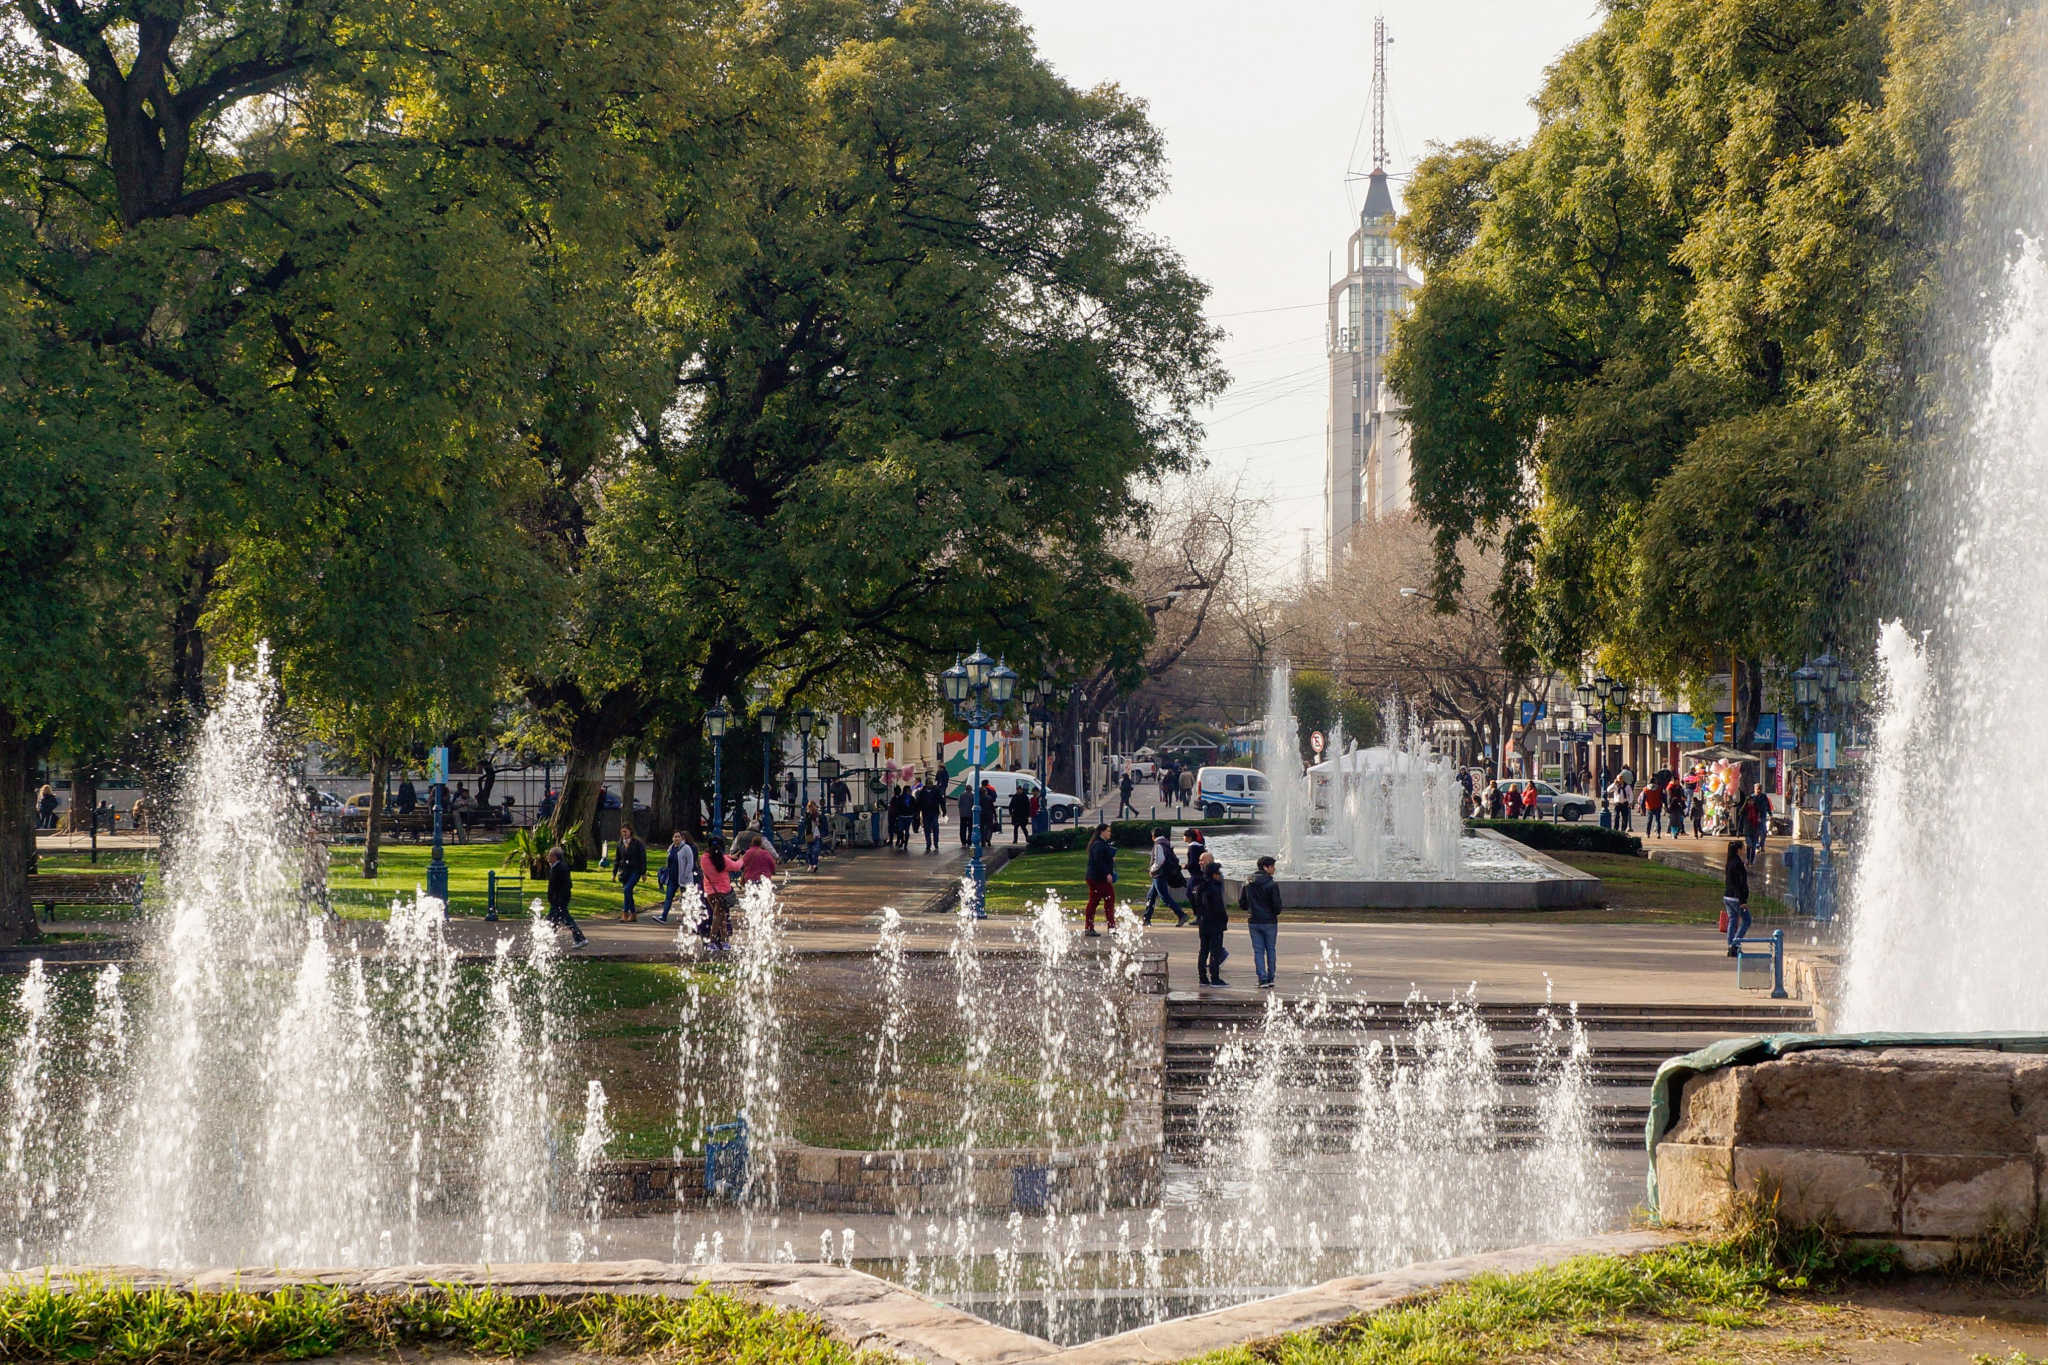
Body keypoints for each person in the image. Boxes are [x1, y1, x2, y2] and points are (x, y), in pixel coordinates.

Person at [1240, 855, 1283, 989]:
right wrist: (1274, 912)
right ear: (1265, 867)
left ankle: (1262, 979)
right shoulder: (1271, 884)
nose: (1274, 869)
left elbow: (1242, 902)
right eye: (1272, 866)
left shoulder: (1248, 881)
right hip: (1269, 921)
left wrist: (1250, 909)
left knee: (1258, 951)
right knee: (1270, 949)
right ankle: (1271, 978)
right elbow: (1277, 906)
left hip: (1253, 920)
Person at [1191, 852, 1229, 986]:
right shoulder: (1214, 888)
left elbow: (1196, 905)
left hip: (1203, 922)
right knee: (1215, 951)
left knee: (1203, 950)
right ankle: (1215, 977)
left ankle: (1202, 977)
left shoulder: (1199, 887)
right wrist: (1224, 919)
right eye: (1218, 872)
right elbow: (1218, 908)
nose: (1219, 875)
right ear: (1214, 874)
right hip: (1215, 923)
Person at [699, 837, 742, 947]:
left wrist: (730, 857)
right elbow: (736, 867)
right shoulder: (722, 860)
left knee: (721, 916)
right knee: (718, 917)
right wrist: (743, 858)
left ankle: (724, 940)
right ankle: (713, 942)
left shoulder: (704, 858)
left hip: (710, 892)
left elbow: (716, 857)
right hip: (723, 893)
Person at [1142, 827, 1189, 927]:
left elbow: (1159, 860)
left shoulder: (1158, 844)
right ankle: (1146, 918)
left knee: (1164, 897)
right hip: (1165, 873)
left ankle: (1181, 915)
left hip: (1159, 874)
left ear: (1153, 836)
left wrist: (1152, 869)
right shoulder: (1167, 843)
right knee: (1151, 895)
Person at [544, 846, 587, 947]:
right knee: (553, 920)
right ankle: (549, 939)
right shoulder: (556, 867)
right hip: (557, 899)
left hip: (559, 899)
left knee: (564, 919)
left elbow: (566, 884)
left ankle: (580, 938)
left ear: (555, 856)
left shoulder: (560, 868)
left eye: (550, 855)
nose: (548, 857)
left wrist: (559, 898)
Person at [1082, 824, 1118, 937]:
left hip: (1096, 878)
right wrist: (1107, 873)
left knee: (1098, 902)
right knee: (1105, 901)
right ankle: (1108, 928)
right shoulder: (1098, 844)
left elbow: (1102, 858)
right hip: (1098, 879)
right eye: (1108, 831)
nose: (1109, 833)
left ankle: (1091, 927)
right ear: (1102, 832)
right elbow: (1098, 862)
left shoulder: (1100, 843)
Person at [659, 829, 697, 923]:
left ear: (681, 838)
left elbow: (690, 863)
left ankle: (688, 917)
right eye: (675, 836)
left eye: (678, 836)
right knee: (668, 897)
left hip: (683, 878)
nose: (676, 838)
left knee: (686, 898)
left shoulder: (686, 848)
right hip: (672, 878)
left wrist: (686, 874)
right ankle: (663, 916)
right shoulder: (671, 848)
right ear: (672, 838)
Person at [1722, 839, 1751, 955]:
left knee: (1733, 921)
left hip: (1727, 896)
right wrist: (1742, 900)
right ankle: (1735, 945)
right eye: (1743, 848)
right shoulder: (1737, 864)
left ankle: (1731, 947)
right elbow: (1739, 884)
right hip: (1736, 898)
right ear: (1738, 850)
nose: (1744, 850)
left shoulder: (1730, 862)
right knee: (1747, 921)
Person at [613, 825, 647, 921]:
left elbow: (643, 858)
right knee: (628, 892)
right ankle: (633, 914)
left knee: (627, 889)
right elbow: (617, 859)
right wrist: (614, 873)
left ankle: (625, 913)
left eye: (625, 831)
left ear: (630, 832)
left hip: (635, 870)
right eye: (622, 832)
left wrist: (643, 873)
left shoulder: (637, 843)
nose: (624, 834)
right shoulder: (620, 844)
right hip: (625, 871)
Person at [1743, 788, 1772, 865]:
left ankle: (1751, 861)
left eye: (1752, 801)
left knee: (1754, 844)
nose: (1751, 802)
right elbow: (1740, 815)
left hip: (1755, 829)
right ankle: (1748, 859)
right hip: (1747, 830)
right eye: (1749, 801)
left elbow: (1767, 806)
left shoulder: (1758, 808)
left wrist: (1769, 813)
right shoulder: (1745, 809)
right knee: (1749, 845)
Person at [917, 779, 944, 853]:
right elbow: (919, 803)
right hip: (925, 813)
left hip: (934, 812)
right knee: (927, 829)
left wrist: (944, 811)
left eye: (931, 784)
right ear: (926, 784)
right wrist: (918, 812)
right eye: (929, 784)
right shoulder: (922, 792)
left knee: (935, 827)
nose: (930, 785)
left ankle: (936, 843)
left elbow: (941, 801)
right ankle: (928, 844)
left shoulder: (936, 791)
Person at [800, 800, 824, 871]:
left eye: (813, 806)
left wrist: (818, 820)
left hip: (816, 834)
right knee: (809, 852)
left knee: (816, 851)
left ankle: (815, 865)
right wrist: (810, 814)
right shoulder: (807, 814)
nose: (812, 808)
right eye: (810, 807)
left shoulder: (817, 814)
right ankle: (810, 864)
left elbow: (821, 823)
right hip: (809, 834)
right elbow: (806, 822)